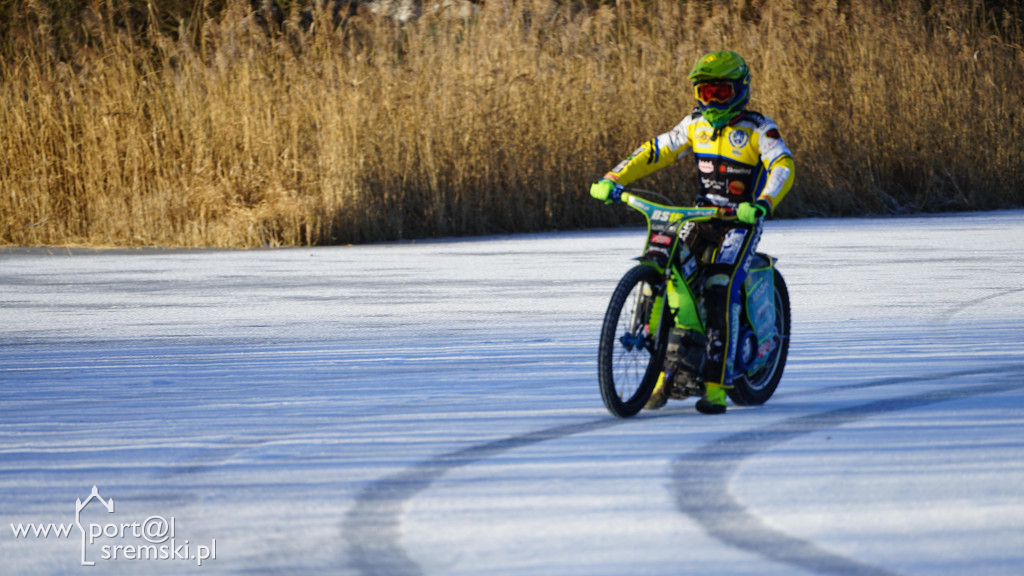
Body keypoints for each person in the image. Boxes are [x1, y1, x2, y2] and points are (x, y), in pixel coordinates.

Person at [590, 51, 795, 415]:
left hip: (739, 223)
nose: (710, 101)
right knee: (669, 274)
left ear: (739, 90)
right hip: (699, 218)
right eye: (704, 93)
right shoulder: (694, 125)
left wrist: (763, 203)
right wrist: (614, 177)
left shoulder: (759, 128)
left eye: (719, 92)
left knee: (720, 287)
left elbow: (782, 164)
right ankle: (661, 376)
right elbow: (656, 151)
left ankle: (716, 386)